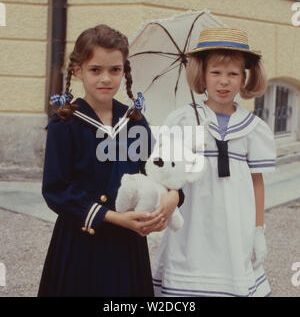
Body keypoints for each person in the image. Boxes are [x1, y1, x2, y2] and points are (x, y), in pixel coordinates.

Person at [38, 24, 183, 297]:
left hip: (127, 245)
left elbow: (159, 170)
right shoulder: (65, 124)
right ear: (78, 71)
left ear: (124, 72)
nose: (106, 78)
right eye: (96, 70)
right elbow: (56, 190)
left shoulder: (135, 122)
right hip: (82, 243)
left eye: (115, 70)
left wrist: (172, 195)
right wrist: (114, 217)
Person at [152, 27, 276, 297]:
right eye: (216, 73)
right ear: (202, 75)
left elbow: (257, 183)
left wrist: (258, 229)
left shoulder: (254, 128)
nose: (224, 82)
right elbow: (167, 175)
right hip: (192, 225)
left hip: (235, 227)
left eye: (233, 74)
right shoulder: (183, 120)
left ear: (244, 78)